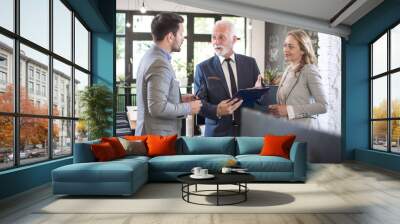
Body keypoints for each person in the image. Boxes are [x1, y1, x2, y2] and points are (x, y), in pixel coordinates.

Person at [135, 13, 202, 136]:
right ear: (170, 37)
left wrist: (179, 99)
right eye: (181, 34)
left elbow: (155, 100)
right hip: (158, 141)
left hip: (153, 137)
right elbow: (157, 108)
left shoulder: (151, 56)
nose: (183, 38)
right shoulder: (159, 63)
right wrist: (188, 108)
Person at [194, 20, 263, 137]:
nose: (216, 42)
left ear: (234, 39)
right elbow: (199, 103)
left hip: (248, 133)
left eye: (221, 37)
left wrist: (258, 91)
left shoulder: (250, 63)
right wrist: (217, 110)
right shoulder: (203, 68)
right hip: (217, 135)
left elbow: (261, 99)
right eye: (213, 37)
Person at [268, 29, 328, 129]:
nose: (286, 49)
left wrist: (289, 110)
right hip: (286, 130)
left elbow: (323, 106)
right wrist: (278, 111)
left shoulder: (310, 70)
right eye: (285, 45)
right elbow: (287, 103)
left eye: (290, 46)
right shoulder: (288, 70)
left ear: (303, 50)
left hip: (305, 132)